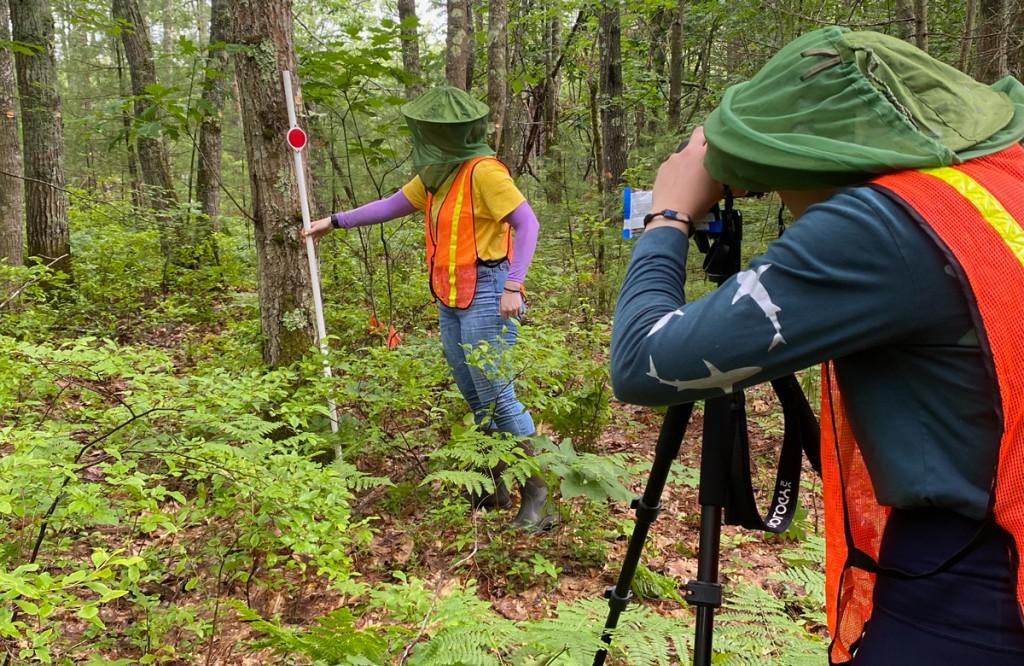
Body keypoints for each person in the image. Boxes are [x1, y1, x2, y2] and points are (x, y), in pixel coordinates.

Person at [610, 27, 1024, 665]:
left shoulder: (885, 225)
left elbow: (641, 362)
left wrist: (667, 216)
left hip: (971, 592)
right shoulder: (997, 183)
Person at [303, 86, 556, 531]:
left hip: (489, 292)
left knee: (499, 396)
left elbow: (527, 222)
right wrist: (335, 221)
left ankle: (537, 494)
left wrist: (514, 286)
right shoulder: (437, 174)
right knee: (476, 395)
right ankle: (491, 481)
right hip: (450, 297)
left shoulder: (483, 172)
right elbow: (391, 205)